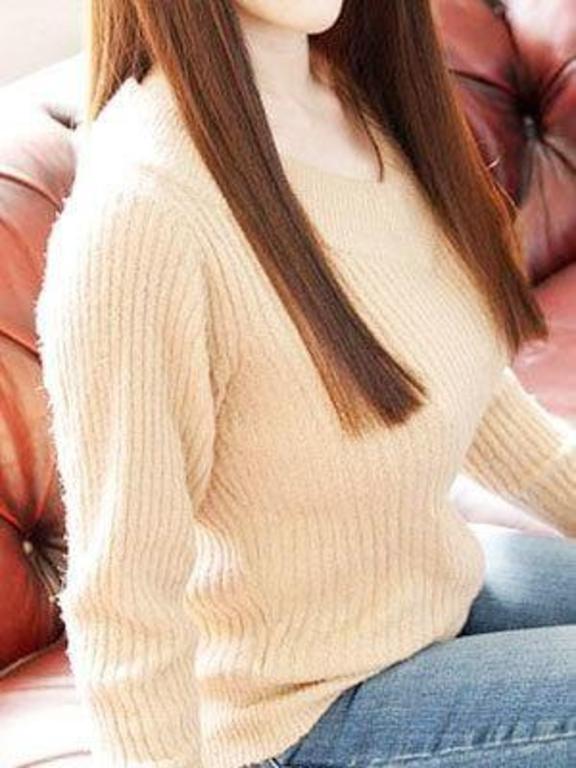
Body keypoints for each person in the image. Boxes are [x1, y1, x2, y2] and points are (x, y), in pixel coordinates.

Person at [34, 1, 576, 766]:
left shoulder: (360, 102)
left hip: (428, 603)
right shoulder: (142, 211)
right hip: (292, 717)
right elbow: (126, 602)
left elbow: (482, 404)